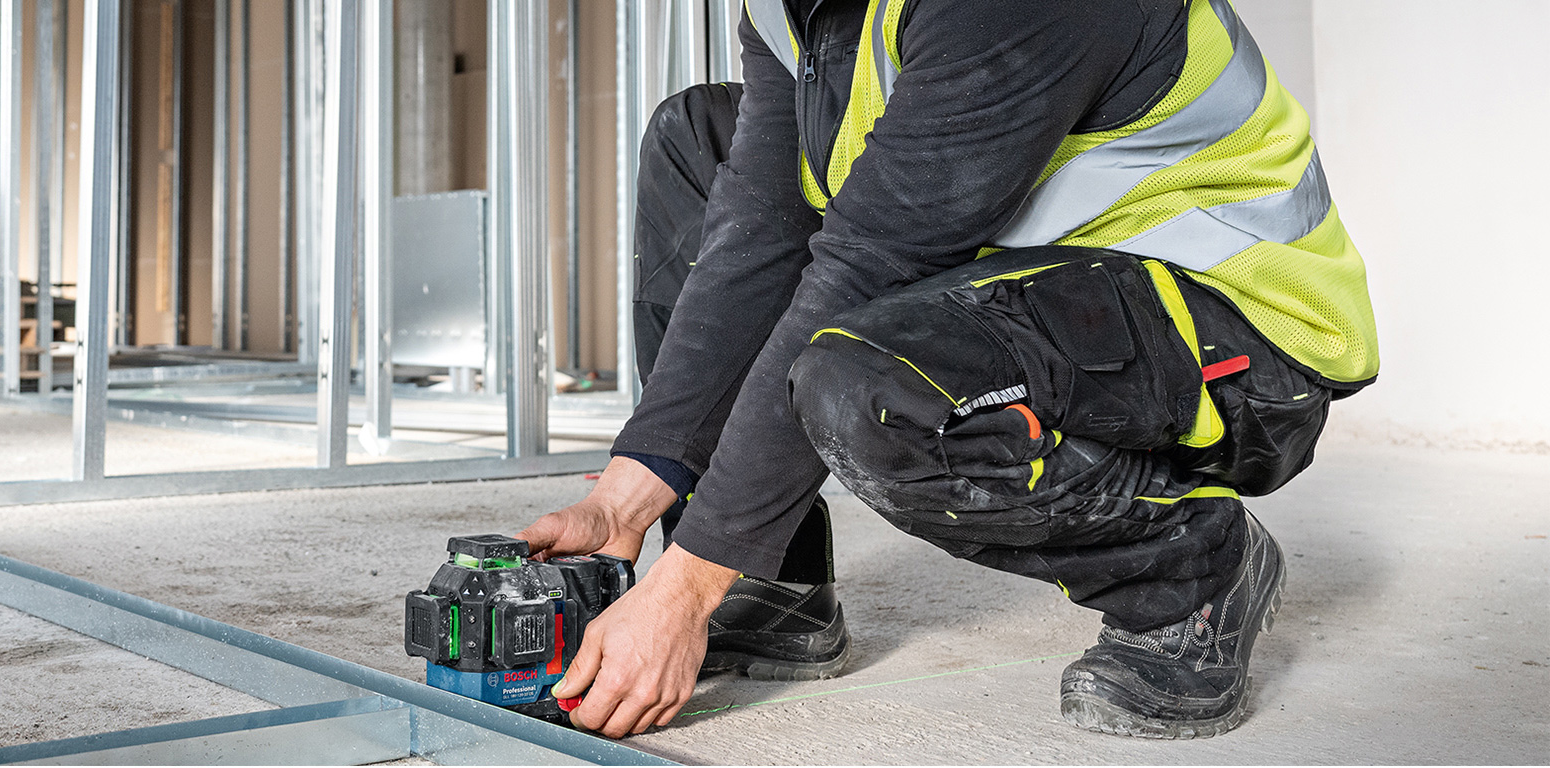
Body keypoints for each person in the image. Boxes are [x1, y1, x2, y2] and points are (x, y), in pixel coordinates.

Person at [517, 0, 1378, 741]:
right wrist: (625, 499)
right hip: (1032, 279)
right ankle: (773, 580)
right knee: (696, 140)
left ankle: (1190, 571)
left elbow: (868, 265)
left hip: (1227, 323)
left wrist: (683, 590)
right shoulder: (792, 7)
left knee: (869, 387)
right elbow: (764, 230)